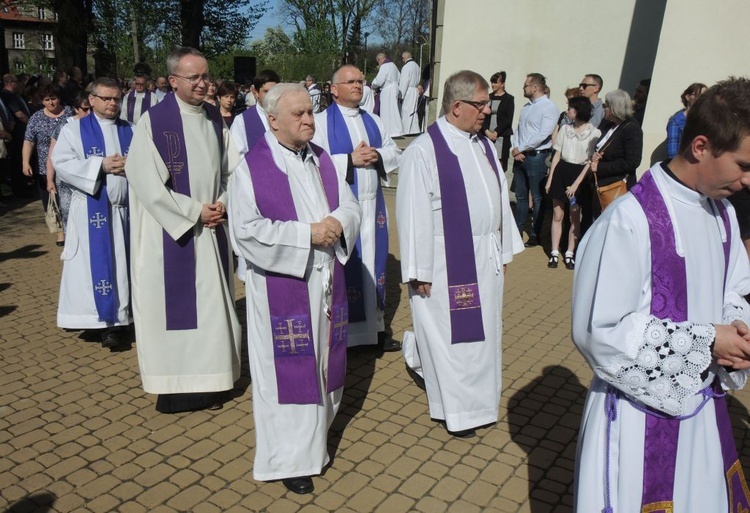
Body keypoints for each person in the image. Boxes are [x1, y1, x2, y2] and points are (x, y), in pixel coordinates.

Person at [571, 76, 750, 513]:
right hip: (638, 416)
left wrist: (737, 332)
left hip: (703, 407)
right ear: (701, 146)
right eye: (744, 165)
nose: (749, 180)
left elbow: (736, 289)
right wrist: (708, 340)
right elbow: (600, 331)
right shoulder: (628, 222)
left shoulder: (723, 211)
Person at [228, 83, 361, 494]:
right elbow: (246, 233)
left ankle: (314, 441)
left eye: (310, 112)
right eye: (298, 114)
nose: (308, 120)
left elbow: (350, 204)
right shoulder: (251, 168)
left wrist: (339, 224)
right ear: (272, 121)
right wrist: (308, 235)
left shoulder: (322, 159)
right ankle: (288, 458)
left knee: (323, 367)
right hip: (284, 287)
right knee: (285, 375)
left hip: (325, 281)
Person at [396, 70, 524, 439]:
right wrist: (418, 269)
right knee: (454, 339)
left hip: (482, 255)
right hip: (444, 262)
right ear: (457, 106)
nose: (487, 110)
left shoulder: (481, 144)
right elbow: (412, 212)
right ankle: (456, 410)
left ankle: (476, 399)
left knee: (481, 337)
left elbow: (497, 196)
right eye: (481, 104)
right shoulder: (424, 151)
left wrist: (504, 246)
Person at [125, 47, 242, 413]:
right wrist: (194, 211)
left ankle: (212, 382)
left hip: (212, 228)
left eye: (206, 75)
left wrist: (222, 201)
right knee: (174, 313)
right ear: (173, 81)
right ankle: (176, 389)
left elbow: (231, 167)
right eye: (195, 78)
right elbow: (144, 181)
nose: (204, 83)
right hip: (172, 234)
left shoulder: (213, 116)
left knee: (211, 310)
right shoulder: (154, 122)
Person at [312, 65, 402, 352]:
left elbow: (393, 151)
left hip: (373, 207)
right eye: (351, 81)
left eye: (361, 81)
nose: (358, 86)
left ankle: (375, 330)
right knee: (345, 266)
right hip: (343, 209)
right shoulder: (321, 122)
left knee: (374, 265)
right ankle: (344, 335)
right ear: (334, 88)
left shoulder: (374, 120)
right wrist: (349, 159)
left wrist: (376, 154)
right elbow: (316, 163)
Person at [50, 77, 133, 348]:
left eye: (116, 99)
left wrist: (130, 165)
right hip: (91, 213)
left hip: (126, 212)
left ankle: (125, 317)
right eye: (106, 98)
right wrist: (101, 166)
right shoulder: (73, 130)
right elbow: (61, 162)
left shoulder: (131, 129)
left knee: (125, 266)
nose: (112, 103)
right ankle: (105, 323)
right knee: (98, 266)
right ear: (92, 100)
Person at [544, 96, 600, 270]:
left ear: (577, 110)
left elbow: (591, 161)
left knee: (574, 216)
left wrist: (577, 184)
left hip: (580, 175)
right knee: (557, 215)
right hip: (562, 172)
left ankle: (569, 253)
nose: (567, 111)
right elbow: (557, 155)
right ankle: (554, 252)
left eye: (570, 108)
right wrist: (551, 179)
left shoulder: (594, 133)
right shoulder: (565, 129)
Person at [510, 73, 558, 247]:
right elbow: (519, 130)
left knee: (537, 199)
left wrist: (521, 148)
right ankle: (516, 230)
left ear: (535, 87)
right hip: (520, 157)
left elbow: (543, 133)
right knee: (521, 197)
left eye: (525, 85)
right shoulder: (526, 106)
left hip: (537, 157)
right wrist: (515, 149)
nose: (524, 88)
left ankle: (535, 234)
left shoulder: (548, 107)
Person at [22, 84, 74, 243]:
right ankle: (60, 231)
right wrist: (25, 162)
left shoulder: (70, 113)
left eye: (54, 99)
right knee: (51, 200)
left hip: (69, 163)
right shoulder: (36, 118)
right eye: (47, 100)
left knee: (69, 199)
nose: (51, 103)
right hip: (45, 165)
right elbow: (29, 141)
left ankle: (71, 227)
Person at [586, 89, 643, 221]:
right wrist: (595, 155)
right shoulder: (607, 124)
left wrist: (599, 167)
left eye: (606, 105)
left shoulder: (631, 129)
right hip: (599, 185)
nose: (604, 108)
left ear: (614, 108)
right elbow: (601, 148)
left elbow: (632, 162)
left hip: (615, 186)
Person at [47, 91, 91, 238]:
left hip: (89, 176)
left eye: (91, 108)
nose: (89, 112)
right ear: (76, 109)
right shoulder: (64, 127)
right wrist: (49, 180)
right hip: (65, 179)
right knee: (67, 211)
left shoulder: (95, 126)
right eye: (85, 109)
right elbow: (52, 155)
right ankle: (70, 242)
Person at [230, 69, 279, 158]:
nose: (271, 96)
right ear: (256, 93)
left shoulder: (287, 116)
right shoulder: (242, 121)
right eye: (266, 91)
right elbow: (236, 156)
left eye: (275, 91)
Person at [481, 71, 514, 171]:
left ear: (502, 84)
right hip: (486, 134)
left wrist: (496, 132)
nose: (493, 85)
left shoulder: (509, 99)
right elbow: (481, 115)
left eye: (495, 82)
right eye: (492, 82)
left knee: (499, 164)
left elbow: (508, 119)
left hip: (501, 136)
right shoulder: (487, 97)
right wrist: (486, 131)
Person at [666, 82, 707, 158]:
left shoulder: (707, 120)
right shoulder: (676, 121)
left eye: (705, 97)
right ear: (687, 97)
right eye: (699, 95)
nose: (702, 99)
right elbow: (672, 154)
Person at [371, 53, 401, 138]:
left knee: (386, 111)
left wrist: (373, 84)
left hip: (387, 89)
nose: (379, 64)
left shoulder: (384, 66)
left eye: (378, 62)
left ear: (380, 59)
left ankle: (388, 131)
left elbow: (379, 80)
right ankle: (396, 130)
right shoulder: (394, 65)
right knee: (394, 110)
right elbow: (399, 77)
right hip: (395, 88)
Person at [398, 52, 421, 135]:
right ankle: (414, 129)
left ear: (404, 58)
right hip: (415, 90)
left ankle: (406, 130)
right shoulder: (417, 66)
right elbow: (418, 79)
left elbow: (404, 82)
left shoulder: (406, 67)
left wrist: (400, 95)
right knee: (414, 110)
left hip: (408, 90)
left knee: (406, 110)